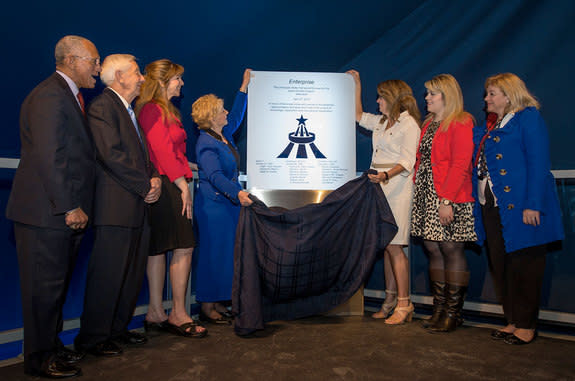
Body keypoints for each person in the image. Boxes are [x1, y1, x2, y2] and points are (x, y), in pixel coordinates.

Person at [5, 35, 100, 379]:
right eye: (94, 61)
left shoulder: (67, 96)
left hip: (58, 213)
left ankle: (51, 346)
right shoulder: (49, 95)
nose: (97, 69)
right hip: (47, 214)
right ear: (73, 60)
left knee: (54, 288)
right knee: (42, 290)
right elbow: (50, 157)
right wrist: (70, 206)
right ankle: (38, 359)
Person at [75, 54, 162, 356]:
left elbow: (143, 155)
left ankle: (117, 330)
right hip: (115, 207)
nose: (142, 78)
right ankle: (93, 338)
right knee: (108, 275)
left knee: (130, 274)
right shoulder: (102, 107)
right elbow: (111, 155)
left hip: (136, 206)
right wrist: (144, 185)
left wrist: (154, 179)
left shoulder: (129, 111)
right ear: (119, 77)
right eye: (137, 73)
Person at [473, 73, 563, 345]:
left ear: (509, 95)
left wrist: (532, 204)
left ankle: (526, 324)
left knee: (525, 264)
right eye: (487, 93)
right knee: (501, 264)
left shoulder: (528, 118)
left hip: (520, 205)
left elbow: (538, 164)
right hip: (492, 204)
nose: (486, 98)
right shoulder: (495, 124)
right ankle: (512, 320)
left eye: (492, 93)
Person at [135, 59, 206, 338]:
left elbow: (170, 151)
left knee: (159, 248)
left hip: (167, 181)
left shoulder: (162, 110)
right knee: (184, 247)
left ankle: (156, 312)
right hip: (168, 185)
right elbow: (162, 150)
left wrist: (189, 167)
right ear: (163, 82)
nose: (182, 83)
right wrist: (182, 184)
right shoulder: (154, 109)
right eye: (177, 78)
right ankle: (177, 313)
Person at [347, 70, 420, 324]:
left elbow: (407, 160)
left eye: (380, 98)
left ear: (392, 97)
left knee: (395, 246)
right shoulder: (380, 122)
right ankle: (390, 300)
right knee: (388, 246)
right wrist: (357, 83)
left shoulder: (408, 123)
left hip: (397, 188)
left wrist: (386, 175)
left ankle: (404, 304)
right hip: (379, 186)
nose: (377, 102)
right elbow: (357, 116)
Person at [411, 74, 476, 333]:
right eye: (427, 93)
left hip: (450, 196)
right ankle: (439, 309)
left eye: (432, 94)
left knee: (451, 249)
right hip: (426, 195)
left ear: (447, 96)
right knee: (432, 249)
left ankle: (453, 312)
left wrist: (446, 200)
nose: (426, 98)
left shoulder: (461, 121)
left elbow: (461, 164)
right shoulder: (428, 124)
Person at [192, 69, 253, 323]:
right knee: (212, 255)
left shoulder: (222, 137)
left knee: (225, 255)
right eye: (222, 110)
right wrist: (238, 192)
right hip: (214, 207)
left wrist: (244, 87)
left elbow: (237, 115)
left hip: (227, 207)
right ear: (212, 116)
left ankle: (217, 301)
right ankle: (207, 306)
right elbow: (215, 176)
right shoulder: (206, 143)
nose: (226, 112)